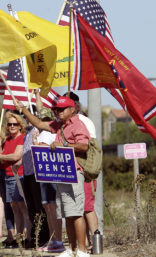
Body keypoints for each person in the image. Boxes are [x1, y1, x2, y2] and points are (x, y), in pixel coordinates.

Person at [15, 96, 91, 257]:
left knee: (76, 212)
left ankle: (83, 250)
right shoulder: (59, 125)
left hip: (75, 173)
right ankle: (71, 249)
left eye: (63, 109)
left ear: (72, 109)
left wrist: (62, 145)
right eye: (57, 109)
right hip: (63, 174)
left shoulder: (78, 124)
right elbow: (37, 123)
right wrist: (23, 109)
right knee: (67, 213)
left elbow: (84, 146)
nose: (59, 112)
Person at [0, 113, 33, 247]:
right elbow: (3, 159)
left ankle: (29, 237)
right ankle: (19, 237)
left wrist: (0, 154)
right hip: (8, 175)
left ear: (20, 125)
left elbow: (17, 155)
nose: (11, 126)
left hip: (19, 176)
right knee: (14, 207)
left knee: (23, 207)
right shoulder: (8, 139)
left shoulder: (21, 138)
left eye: (14, 124)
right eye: (9, 124)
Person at [68, 92, 98, 254]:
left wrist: (66, 144)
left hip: (84, 168)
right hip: (73, 169)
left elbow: (87, 145)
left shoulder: (83, 121)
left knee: (87, 206)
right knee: (78, 208)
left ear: (76, 107)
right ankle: (84, 243)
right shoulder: (68, 123)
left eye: (68, 107)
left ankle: (95, 241)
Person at [21, 90, 50, 249]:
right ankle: (35, 236)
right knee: (31, 209)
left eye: (29, 116)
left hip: (38, 175)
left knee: (40, 208)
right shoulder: (27, 133)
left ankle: (43, 237)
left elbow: (40, 109)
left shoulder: (40, 130)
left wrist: (37, 95)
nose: (27, 119)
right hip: (27, 174)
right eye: (26, 117)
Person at [33, 108, 65, 253]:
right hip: (43, 174)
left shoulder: (49, 132)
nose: (45, 121)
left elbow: (42, 149)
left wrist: (35, 141)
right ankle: (53, 239)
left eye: (47, 119)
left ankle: (58, 240)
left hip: (51, 173)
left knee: (52, 208)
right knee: (48, 208)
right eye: (43, 119)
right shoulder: (45, 131)